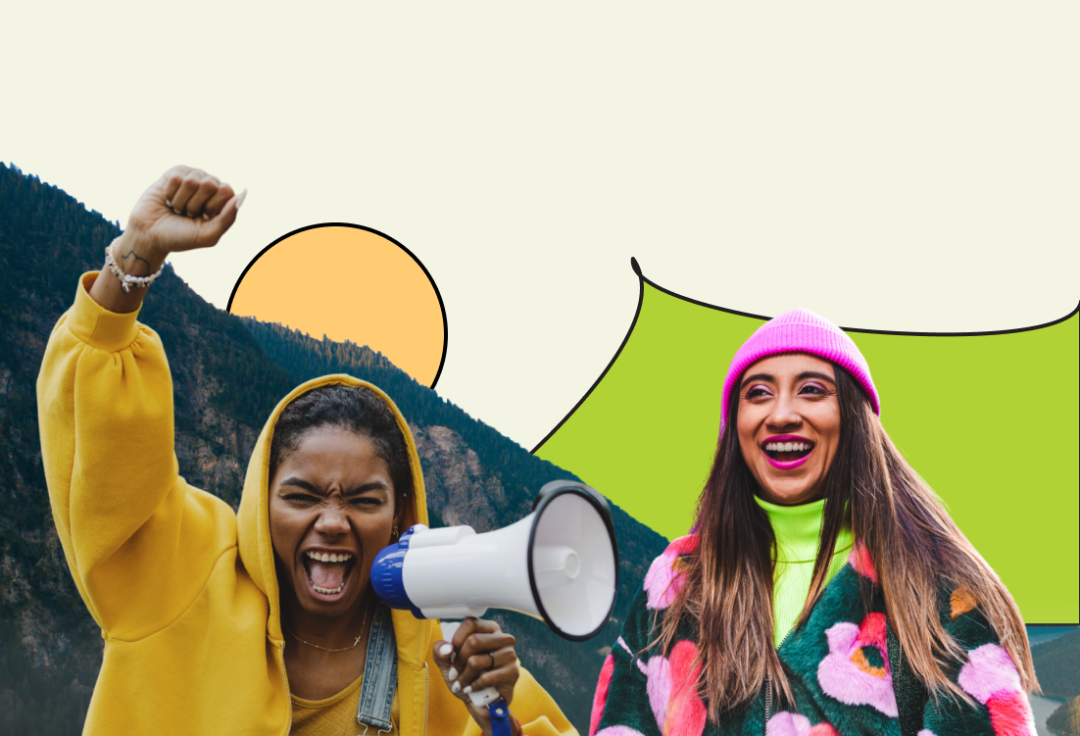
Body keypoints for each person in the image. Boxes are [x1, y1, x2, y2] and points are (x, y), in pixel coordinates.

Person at [37, 166, 577, 736]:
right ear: (260, 502)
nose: (333, 521)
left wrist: (499, 720)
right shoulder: (184, 575)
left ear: (400, 517)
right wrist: (137, 254)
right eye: (302, 496)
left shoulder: (446, 656)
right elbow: (100, 439)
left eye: (365, 501)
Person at [588, 309, 1039, 736]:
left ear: (853, 420)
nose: (781, 414)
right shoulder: (675, 584)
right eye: (759, 393)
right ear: (736, 426)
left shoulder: (938, 590)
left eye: (812, 390)